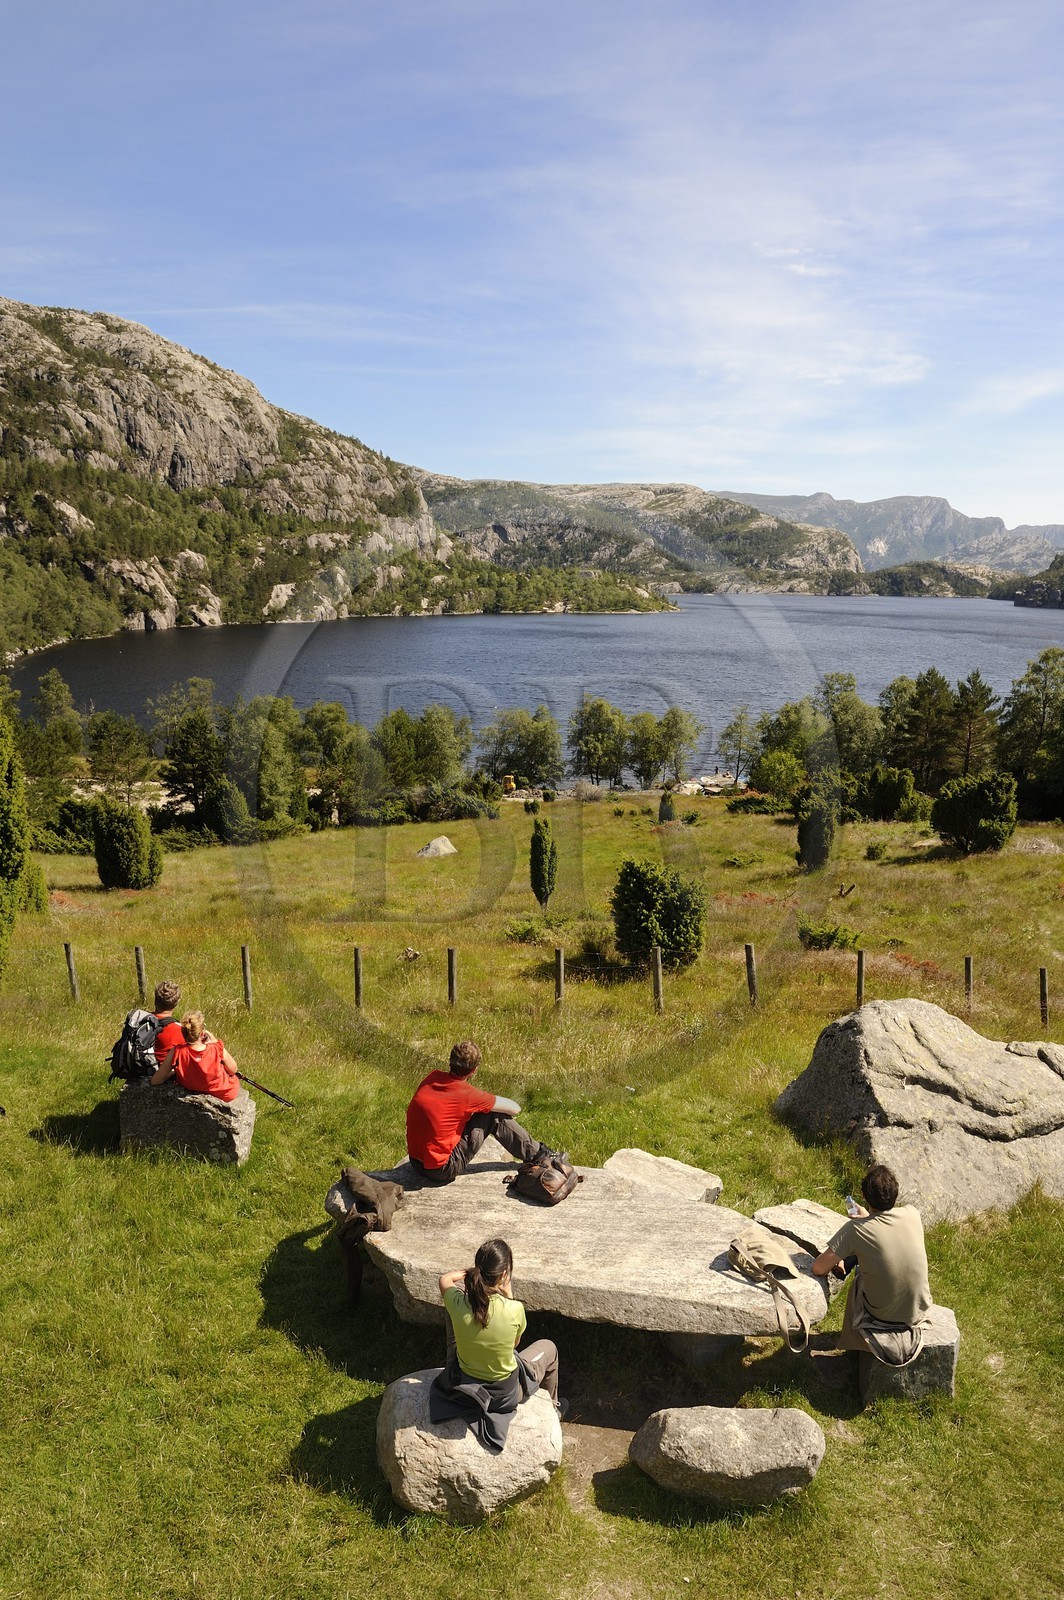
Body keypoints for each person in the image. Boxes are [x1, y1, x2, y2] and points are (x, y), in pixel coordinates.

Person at [429, 1237, 564, 1452]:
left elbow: (445, 1279)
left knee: (451, 1309)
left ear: (478, 1270)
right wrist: (509, 1296)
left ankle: (456, 1358)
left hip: (463, 1383)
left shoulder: (460, 1303)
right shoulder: (514, 1309)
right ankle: (554, 1409)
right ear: (503, 1275)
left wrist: (469, 1273)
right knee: (549, 1348)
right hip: (502, 1396)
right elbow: (514, 1345)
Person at [811, 1164, 933, 1378]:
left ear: (864, 1195)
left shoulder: (856, 1230)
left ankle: (851, 1348)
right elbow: (885, 1233)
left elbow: (818, 1268)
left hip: (883, 1316)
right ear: (896, 1192)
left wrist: (863, 1224)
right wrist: (869, 1216)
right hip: (917, 1309)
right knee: (872, 1257)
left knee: (860, 1280)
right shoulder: (912, 1213)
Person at [406, 1040, 562, 1183]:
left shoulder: (431, 1077)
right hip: (441, 1170)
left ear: (450, 1062)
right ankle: (540, 1155)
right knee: (493, 1115)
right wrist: (483, 1104)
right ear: (474, 1070)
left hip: (416, 1162)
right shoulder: (467, 1094)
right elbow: (515, 1108)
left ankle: (537, 1153)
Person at [150, 1011, 240, 1103]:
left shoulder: (177, 1052)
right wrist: (215, 1041)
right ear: (201, 1033)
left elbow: (155, 1081)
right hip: (224, 1094)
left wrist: (172, 1073)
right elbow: (233, 1070)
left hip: (190, 1090)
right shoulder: (216, 1048)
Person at [152, 980, 184, 1064]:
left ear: (155, 1000)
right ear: (176, 1004)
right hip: (162, 1074)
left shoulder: (139, 1020)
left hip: (135, 1072)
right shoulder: (180, 1030)